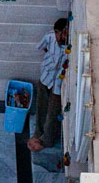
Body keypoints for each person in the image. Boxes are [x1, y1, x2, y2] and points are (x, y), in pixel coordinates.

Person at [30, 17, 71, 153]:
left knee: (52, 113)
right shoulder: (49, 37)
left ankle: (46, 140)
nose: (62, 37)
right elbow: (41, 47)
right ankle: (38, 133)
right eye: (60, 33)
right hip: (46, 76)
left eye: (64, 34)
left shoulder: (70, 47)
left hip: (59, 84)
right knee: (41, 107)